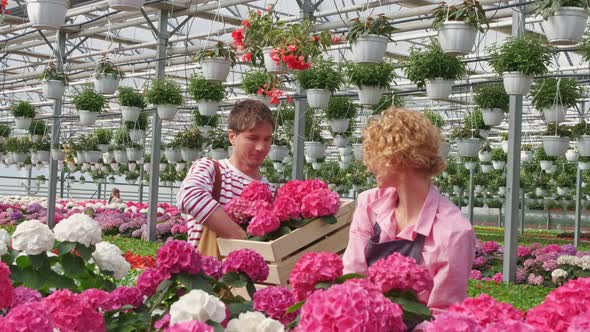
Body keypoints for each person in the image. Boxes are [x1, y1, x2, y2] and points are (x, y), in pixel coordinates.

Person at [342, 108, 476, 316]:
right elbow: (353, 276)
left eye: (374, 156)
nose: (369, 166)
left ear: (396, 157)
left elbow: (442, 315)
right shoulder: (369, 204)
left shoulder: (454, 232)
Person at [177, 99, 275, 257]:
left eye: (267, 139)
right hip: (208, 278)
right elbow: (189, 197)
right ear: (232, 137)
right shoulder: (212, 169)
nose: (260, 147)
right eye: (252, 138)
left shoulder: (271, 190)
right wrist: (243, 240)